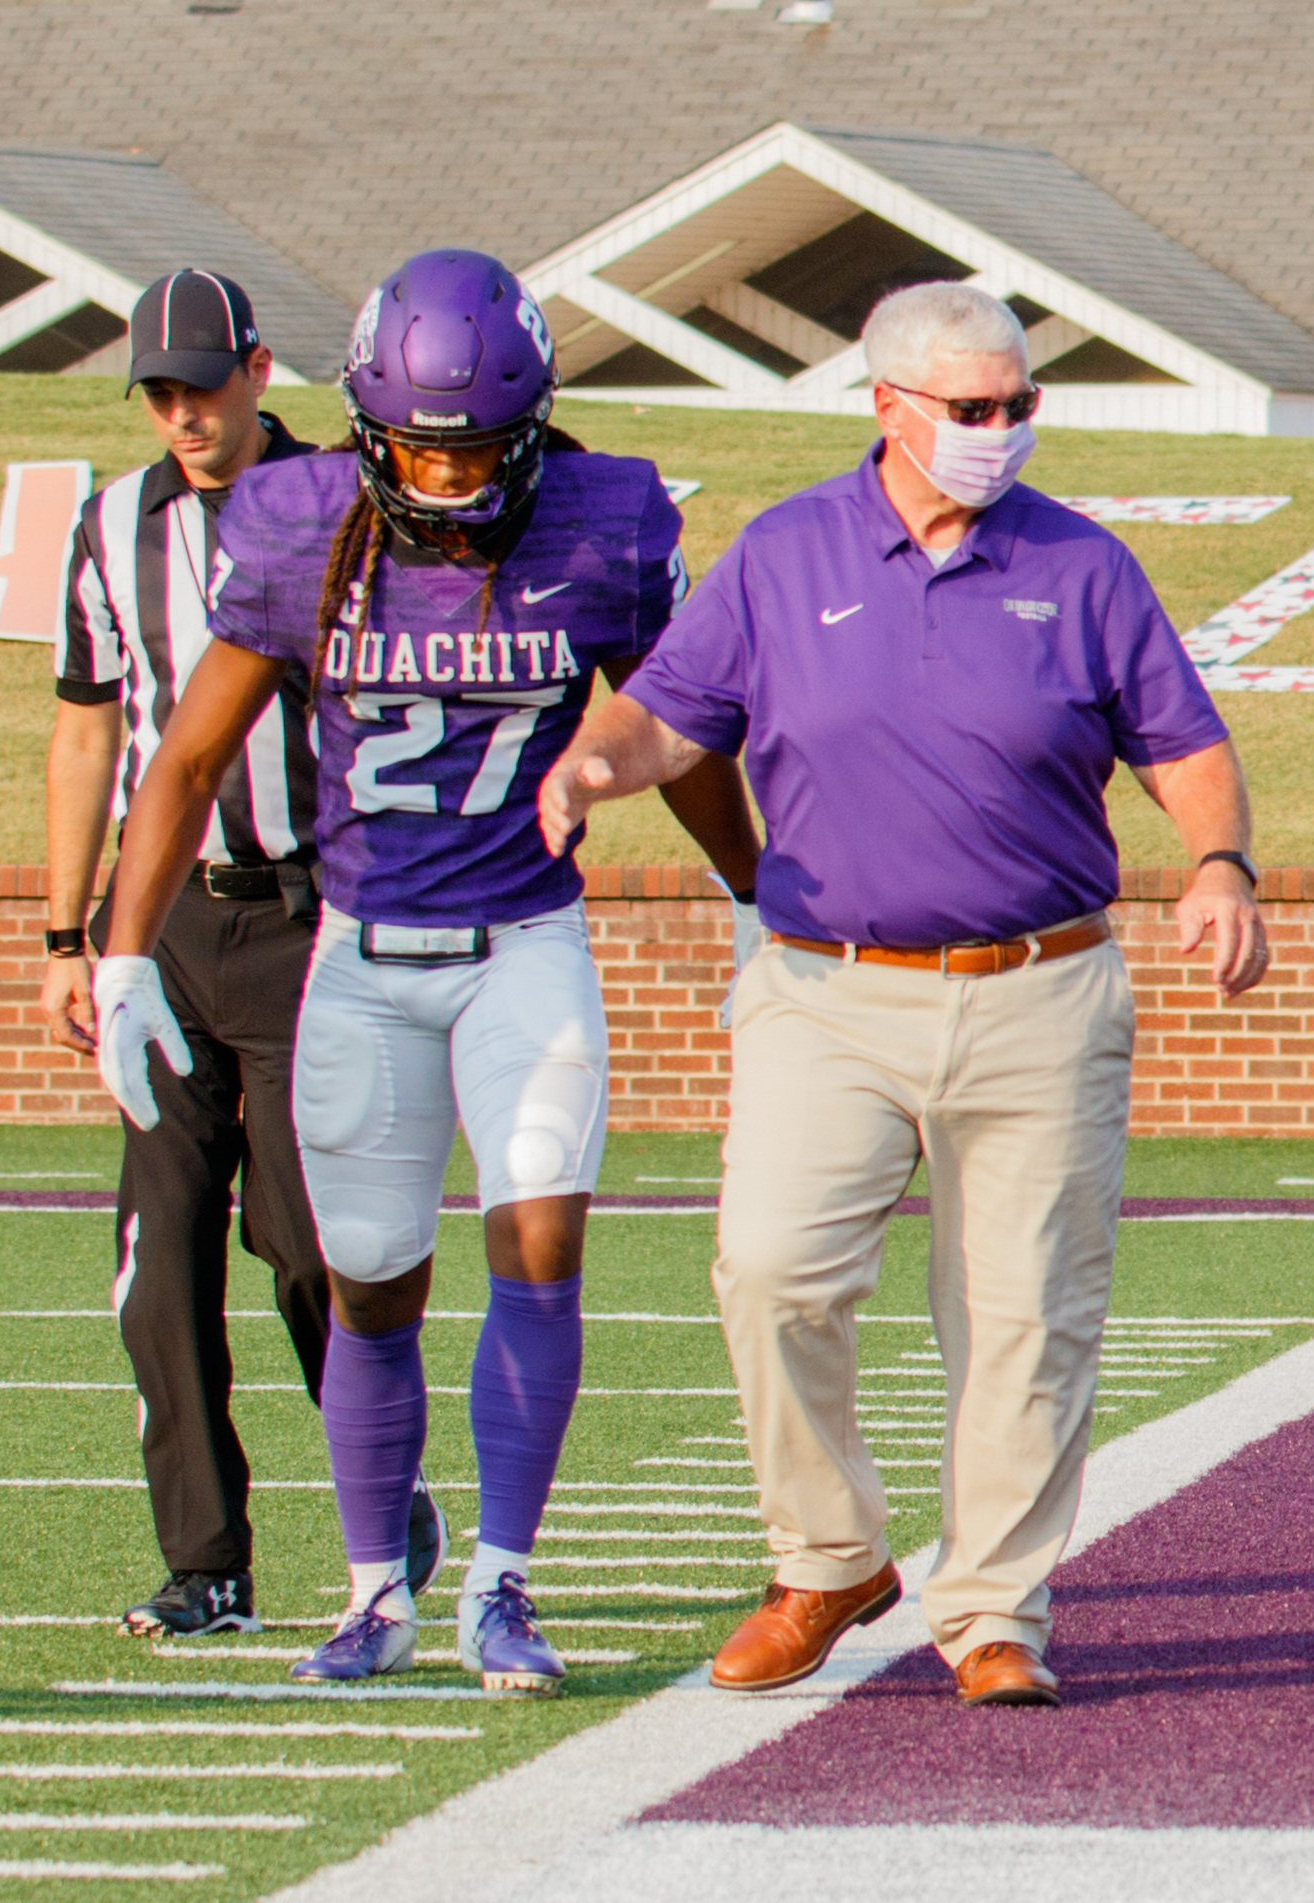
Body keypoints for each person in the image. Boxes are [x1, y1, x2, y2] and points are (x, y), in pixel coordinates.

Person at [541, 281, 1263, 1713]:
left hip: (1039, 990)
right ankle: (827, 1559)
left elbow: (1183, 739)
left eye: (1019, 407)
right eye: (973, 410)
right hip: (826, 989)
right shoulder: (783, 553)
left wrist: (1221, 861)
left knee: (1020, 1318)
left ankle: (993, 1610)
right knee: (770, 1270)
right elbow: (665, 717)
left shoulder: (1085, 565)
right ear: (885, 404)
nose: (1002, 431)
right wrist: (588, 768)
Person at [90, 250, 750, 1694]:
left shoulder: (603, 521)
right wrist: (120, 951)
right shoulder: (293, 520)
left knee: (540, 1245)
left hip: (524, 943)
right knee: (367, 1285)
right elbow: (187, 753)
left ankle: (504, 1584)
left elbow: (681, 722)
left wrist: (755, 896)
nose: (446, 484)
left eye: (474, 454)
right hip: (359, 956)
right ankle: (378, 1589)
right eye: (417, 452)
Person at [45, 268, 386, 1640]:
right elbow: (86, 725)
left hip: (314, 913)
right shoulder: (110, 526)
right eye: (160, 393)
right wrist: (70, 935)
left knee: (313, 1248)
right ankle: (208, 1565)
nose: (183, 414)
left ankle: (381, 1496)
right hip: (167, 920)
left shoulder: (346, 505)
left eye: (204, 383)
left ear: (258, 368)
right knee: (162, 1253)